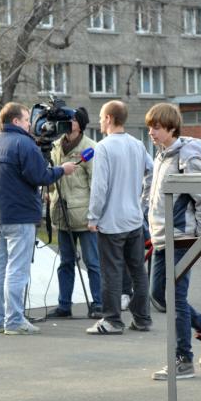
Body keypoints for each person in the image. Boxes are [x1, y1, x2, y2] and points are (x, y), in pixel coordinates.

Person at [145, 103, 201, 380]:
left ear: (171, 127)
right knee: (158, 295)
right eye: (149, 127)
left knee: (175, 299)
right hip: (160, 239)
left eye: (156, 127)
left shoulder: (187, 158)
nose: (151, 132)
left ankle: (183, 360)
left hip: (181, 239)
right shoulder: (161, 156)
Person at [0, 102, 76, 335]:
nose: (30, 124)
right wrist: (62, 170)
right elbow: (40, 176)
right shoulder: (24, 144)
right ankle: (14, 320)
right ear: (15, 121)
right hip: (20, 215)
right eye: (26, 120)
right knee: (17, 270)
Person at [86, 100, 153, 335]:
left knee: (111, 272)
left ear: (109, 119)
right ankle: (143, 318)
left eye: (101, 117)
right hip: (134, 220)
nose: (99, 121)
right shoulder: (137, 144)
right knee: (137, 271)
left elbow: (100, 186)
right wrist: (142, 202)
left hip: (111, 222)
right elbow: (151, 172)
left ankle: (113, 320)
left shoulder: (104, 147)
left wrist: (93, 217)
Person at [47, 107, 102, 318]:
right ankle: (64, 305)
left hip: (84, 216)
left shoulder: (90, 148)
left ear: (80, 123)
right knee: (65, 263)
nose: (68, 122)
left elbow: (96, 184)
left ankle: (98, 303)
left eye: (71, 119)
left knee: (93, 262)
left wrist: (94, 216)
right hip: (61, 213)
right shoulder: (55, 145)